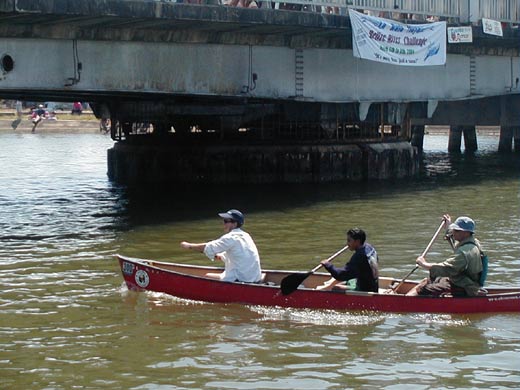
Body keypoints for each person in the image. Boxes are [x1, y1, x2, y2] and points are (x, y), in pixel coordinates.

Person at [406, 215, 483, 297]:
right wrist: (448, 226)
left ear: (466, 233)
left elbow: (445, 268)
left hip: (464, 286)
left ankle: (406, 301)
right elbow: (456, 243)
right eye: (453, 229)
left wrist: (423, 264)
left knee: (424, 289)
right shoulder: (473, 242)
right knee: (434, 279)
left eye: (456, 230)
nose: (453, 232)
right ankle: (410, 295)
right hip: (459, 280)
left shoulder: (464, 252)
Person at [180, 209, 262, 283]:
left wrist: (189, 245)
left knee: (207, 277)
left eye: (226, 221)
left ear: (235, 223)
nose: (224, 223)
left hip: (242, 279)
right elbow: (239, 254)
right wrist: (220, 256)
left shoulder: (230, 237)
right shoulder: (246, 235)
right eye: (224, 221)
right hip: (254, 278)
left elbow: (208, 247)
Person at [316, 228, 379, 292]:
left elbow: (340, 275)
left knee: (336, 288)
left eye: (349, 241)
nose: (347, 243)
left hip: (365, 290)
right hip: (373, 285)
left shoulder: (360, 256)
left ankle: (325, 290)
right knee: (346, 279)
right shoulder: (370, 248)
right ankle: (327, 287)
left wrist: (328, 265)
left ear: (357, 241)